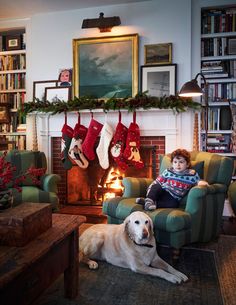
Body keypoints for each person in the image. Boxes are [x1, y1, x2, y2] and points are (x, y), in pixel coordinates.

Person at [137, 148, 208, 211]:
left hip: (173, 198)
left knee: (174, 204)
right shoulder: (168, 171)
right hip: (162, 191)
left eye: (181, 162)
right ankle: (149, 200)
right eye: (175, 162)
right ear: (172, 163)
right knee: (156, 186)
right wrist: (150, 191)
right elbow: (157, 181)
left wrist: (201, 183)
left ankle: (148, 203)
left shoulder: (192, 174)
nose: (178, 165)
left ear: (187, 164)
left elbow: (198, 181)